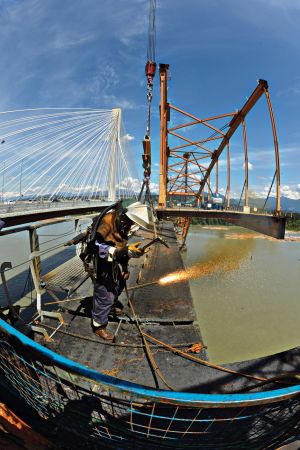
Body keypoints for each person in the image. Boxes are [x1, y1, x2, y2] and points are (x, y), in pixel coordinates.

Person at [90, 202, 152, 340]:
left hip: (113, 261)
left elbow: (121, 246)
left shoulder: (122, 225)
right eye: (130, 223)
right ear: (126, 218)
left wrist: (127, 260)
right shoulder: (106, 223)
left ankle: (111, 306)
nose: (130, 227)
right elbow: (97, 248)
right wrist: (123, 251)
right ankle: (98, 326)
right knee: (104, 292)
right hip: (101, 261)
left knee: (120, 283)